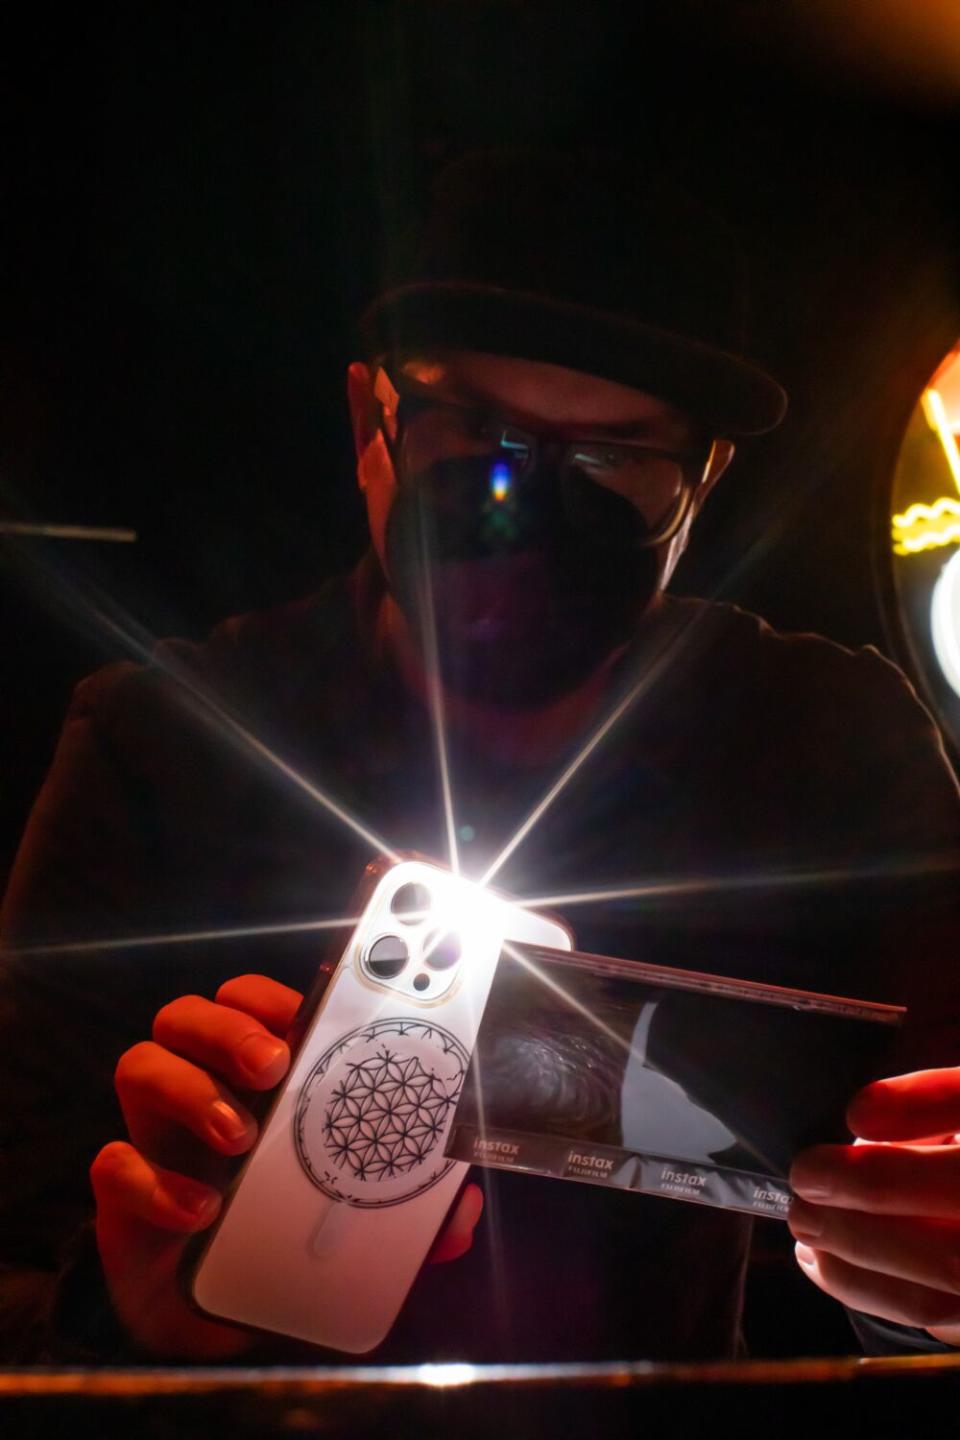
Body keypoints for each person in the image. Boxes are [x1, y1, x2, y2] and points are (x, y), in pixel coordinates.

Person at [2, 149, 959, 1364]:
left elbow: (924, 1200)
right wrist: (133, 1312)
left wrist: (915, 1286)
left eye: (614, 464)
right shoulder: (166, 744)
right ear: (373, 424)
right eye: (477, 435)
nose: (524, 508)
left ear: (703, 484)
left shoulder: (826, 738)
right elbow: (17, 1268)